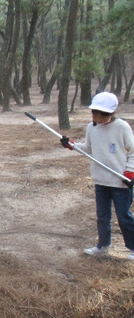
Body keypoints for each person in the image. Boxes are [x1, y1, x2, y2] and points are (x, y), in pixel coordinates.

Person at [60, 92, 134, 260]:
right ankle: (102, 246)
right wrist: (71, 145)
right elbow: (88, 148)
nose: (99, 116)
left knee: (124, 216)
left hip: (120, 182)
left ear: (113, 112)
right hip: (101, 181)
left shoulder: (122, 127)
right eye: (95, 112)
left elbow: (133, 152)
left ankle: (132, 247)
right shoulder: (91, 128)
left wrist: (130, 172)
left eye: (104, 113)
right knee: (102, 216)